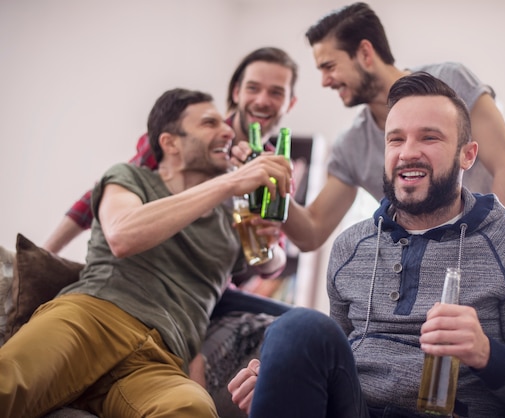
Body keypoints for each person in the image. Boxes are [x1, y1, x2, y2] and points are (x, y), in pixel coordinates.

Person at [227, 72, 505, 418]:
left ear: (467, 155)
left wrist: (486, 354)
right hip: (353, 410)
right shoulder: (351, 246)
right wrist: (281, 384)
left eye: (429, 138)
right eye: (396, 139)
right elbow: (336, 357)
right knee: (296, 327)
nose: (408, 153)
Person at [0, 88, 292, 418]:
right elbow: (123, 234)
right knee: (9, 381)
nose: (227, 130)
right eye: (210, 123)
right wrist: (228, 184)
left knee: (192, 408)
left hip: (162, 357)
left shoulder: (229, 220)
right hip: (93, 317)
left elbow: (268, 264)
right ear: (170, 143)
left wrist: (268, 239)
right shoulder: (129, 178)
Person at [245, 2, 505, 253]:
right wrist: (269, 178)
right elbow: (312, 232)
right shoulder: (352, 144)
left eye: (329, 66)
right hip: (426, 281)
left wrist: (485, 256)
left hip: (504, 263)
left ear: (365, 53)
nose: (325, 81)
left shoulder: (452, 81)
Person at [43, 46, 298, 254]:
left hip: (216, 283)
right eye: (253, 88)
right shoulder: (184, 138)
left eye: (276, 93)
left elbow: (272, 255)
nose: (263, 100)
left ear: (290, 103)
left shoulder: (275, 166)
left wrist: (271, 242)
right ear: (236, 92)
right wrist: (45, 255)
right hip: (158, 264)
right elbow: (109, 191)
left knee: (305, 319)